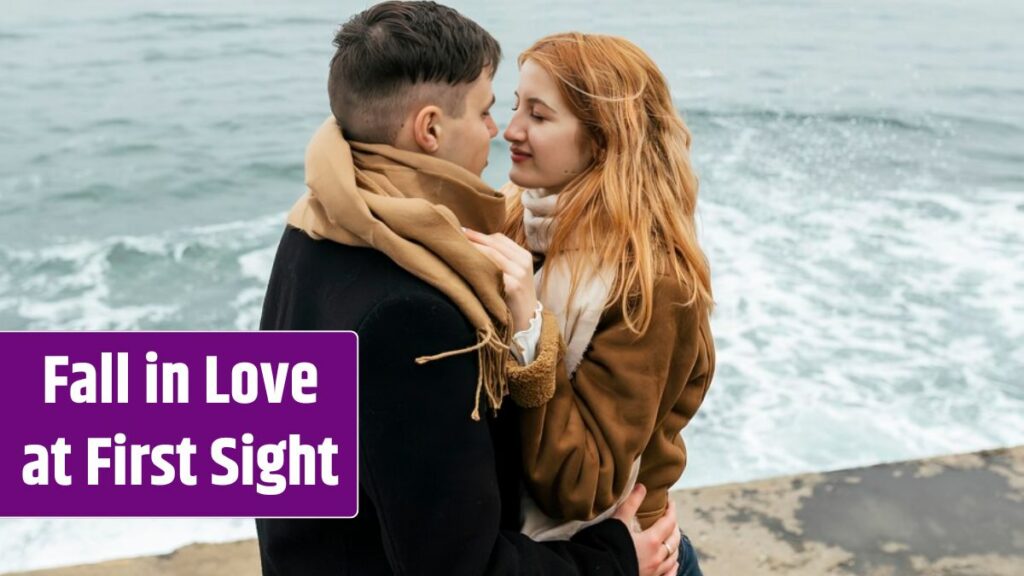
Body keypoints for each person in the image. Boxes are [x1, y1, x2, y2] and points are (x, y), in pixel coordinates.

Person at [255, 4, 681, 575]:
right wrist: (615, 560)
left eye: (535, 113)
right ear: (429, 128)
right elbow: (459, 567)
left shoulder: (316, 224)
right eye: (490, 109)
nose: (500, 131)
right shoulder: (415, 309)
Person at [464, 33, 715, 576]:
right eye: (513, 107)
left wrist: (532, 332)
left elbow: (581, 485)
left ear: (603, 139)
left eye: (539, 115)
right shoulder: (518, 223)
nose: (511, 131)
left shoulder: (652, 284)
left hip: (623, 555)